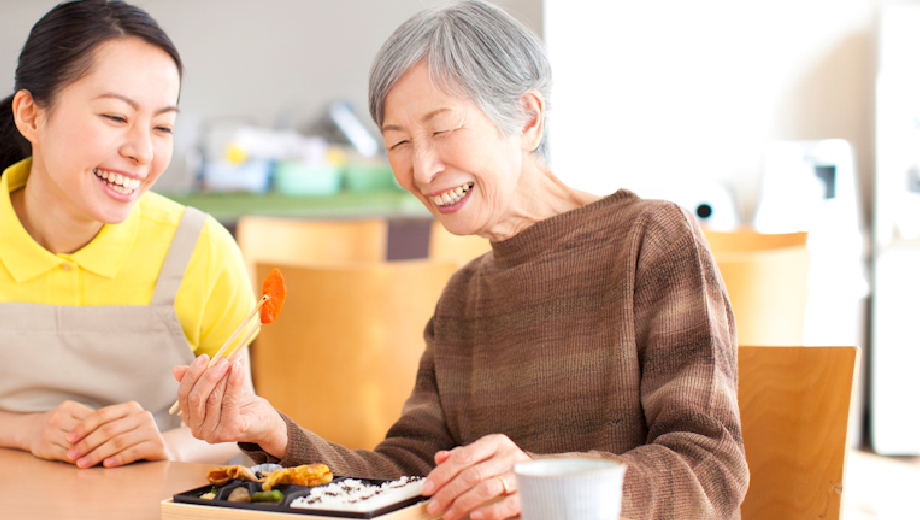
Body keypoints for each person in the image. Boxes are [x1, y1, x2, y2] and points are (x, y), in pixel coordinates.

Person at [174, 1, 750, 518]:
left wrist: (542, 484)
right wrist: (273, 432)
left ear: (527, 120)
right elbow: (410, 472)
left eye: (443, 130)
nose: (421, 170)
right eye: (398, 142)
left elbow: (709, 468)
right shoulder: (464, 296)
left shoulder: (650, 239)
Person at [0, 0, 256, 469]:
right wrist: (25, 429)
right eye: (116, 117)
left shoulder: (200, 249)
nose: (142, 152)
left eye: (162, 126)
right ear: (30, 116)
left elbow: (244, 430)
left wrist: (167, 442)